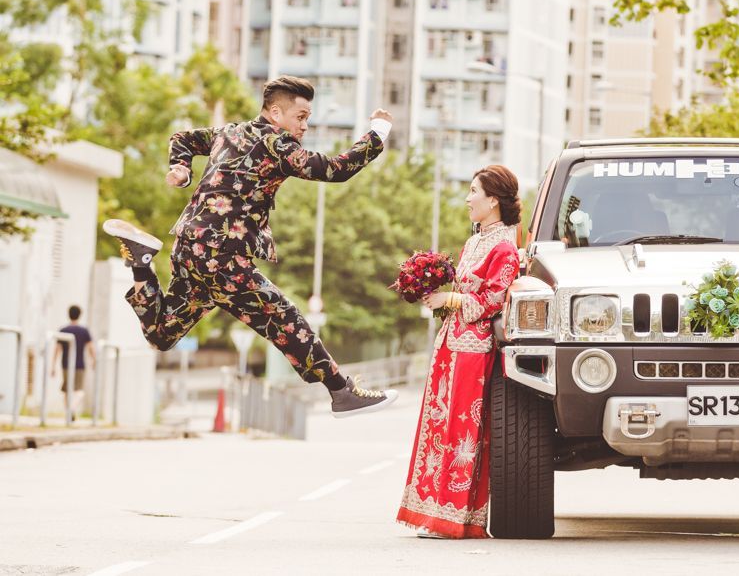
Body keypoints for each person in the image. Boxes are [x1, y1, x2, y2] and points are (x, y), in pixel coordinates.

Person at [102, 75, 397, 416]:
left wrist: (181, 167)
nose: (304, 126)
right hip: (222, 254)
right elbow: (334, 169)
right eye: (300, 117)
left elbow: (182, 137)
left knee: (162, 333)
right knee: (283, 317)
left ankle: (141, 263)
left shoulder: (229, 132)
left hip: (190, 246)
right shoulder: (277, 143)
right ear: (275, 112)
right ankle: (341, 392)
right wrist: (377, 134)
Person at [397, 165, 522, 539]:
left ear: (493, 200)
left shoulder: (505, 248)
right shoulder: (473, 243)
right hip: (449, 347)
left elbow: (493, 300)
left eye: (473, 191)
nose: (468, 199)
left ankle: (455, 517)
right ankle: (432, 511)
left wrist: (451, 298)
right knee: (438, 428)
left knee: (464, 433)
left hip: (475, 352)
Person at [52, 305, 96, 422]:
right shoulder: (84, 331)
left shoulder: (63, 330)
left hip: (65, 364)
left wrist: (53, 365)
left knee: (67, 390)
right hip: (80, 364)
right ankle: (72, 409)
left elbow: (57, 349)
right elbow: (91, 347)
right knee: (79, 391)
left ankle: (68, 411)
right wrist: (94, 360)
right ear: (79, 315)